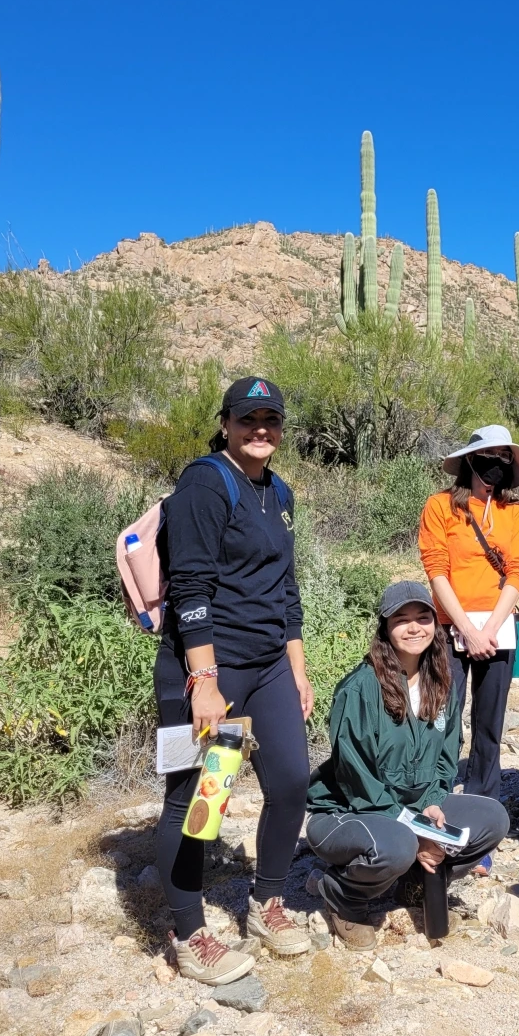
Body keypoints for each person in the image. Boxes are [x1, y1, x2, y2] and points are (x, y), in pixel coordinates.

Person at [154, 376, 314, 985]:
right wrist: (205, 680)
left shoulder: (281, 494)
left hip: (269, 664)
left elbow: (287, 591)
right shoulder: (206, 482)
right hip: (210, 669)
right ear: (225, 424)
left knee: (293, 780)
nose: (260, 430)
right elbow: (190, 586)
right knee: (200, 801)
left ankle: (267, 901)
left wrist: (297, 672)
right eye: (248, 420)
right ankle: (189, 932)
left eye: (270, 419)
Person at [304, 582, 508, 947]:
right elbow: (357, 778)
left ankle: (414, 883)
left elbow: (447, 757)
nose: (414, 628)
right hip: (347, 811)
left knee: (492, 820)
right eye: (402, 619)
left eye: (423, 617)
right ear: (385, 628)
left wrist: (432, 802)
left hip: (412, 806)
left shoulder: (442, 682)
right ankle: (343, 894)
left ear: (436, 625)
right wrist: (416, 832)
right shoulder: (360, 688)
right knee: (399, 844)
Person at [418, 425, 519, 846]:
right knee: (443, 721)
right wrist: (465, 627)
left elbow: (518, 571)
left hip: (497, 630)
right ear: (470, 459)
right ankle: (437, 810)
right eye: (490, 455)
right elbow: (436, 568)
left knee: (489, 726)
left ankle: (483, 819)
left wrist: (488, 628)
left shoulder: (513, 512)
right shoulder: (440, 506)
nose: (497, 463)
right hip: (450, 629)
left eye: (505, 457)